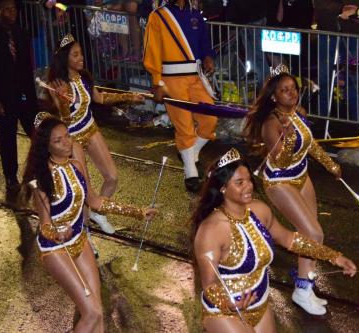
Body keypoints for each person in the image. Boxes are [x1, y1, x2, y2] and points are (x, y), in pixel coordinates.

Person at [192, 148, 357, 332]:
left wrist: (334, 257)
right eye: (239, 182)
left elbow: (290, 239)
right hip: (224, 313)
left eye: (248, 180)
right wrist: (227, 302)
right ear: (223, 188)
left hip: (260, 306)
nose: (248, 186)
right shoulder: (211, 230)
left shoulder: (260, 210)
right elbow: (209, 283)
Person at [21, 114, 156, 332]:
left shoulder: (76, 165)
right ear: (46, 147)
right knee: (90, 313)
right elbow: (44, 225)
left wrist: (138, 212)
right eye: (58, 141)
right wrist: (56, 234)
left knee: (99, 312)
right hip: (56, 249)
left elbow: (95, 201)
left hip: (79, 238)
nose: (67, 143)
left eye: (67, 136)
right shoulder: (43, 180)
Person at [243, 65, 343, 315]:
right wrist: (286, 138)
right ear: (274, 96)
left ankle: (305, 286)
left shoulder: (297, 112)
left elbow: (310, 143)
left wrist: (330, 164)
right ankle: (302, 290)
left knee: (308, 233)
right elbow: (280, 161)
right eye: (284, 90)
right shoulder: (270, 123)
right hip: (280, 181)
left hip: (301, 175)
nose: (291, 93)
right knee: (314, 234)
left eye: (294, 89)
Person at [48, 33, 144, 234]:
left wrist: (129, 96)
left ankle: (98, 214)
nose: (81, 58)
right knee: (84, 192)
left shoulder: (84, 76)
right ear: (64, 58)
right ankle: (84, 237)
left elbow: (99, 98)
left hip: (90, 128)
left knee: (112, 176)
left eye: (81, 53)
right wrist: (64, 100)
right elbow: (63, 121)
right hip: (72, 138)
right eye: (75, 55)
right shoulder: (56, 84)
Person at [143, 0, 218, 193]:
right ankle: (190, 172)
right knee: (184, 125)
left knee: (210, 118)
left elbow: (204, 42)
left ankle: (190, 154)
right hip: (170, 78)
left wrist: (209, 56)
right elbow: (152, 50)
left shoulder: (196, 14)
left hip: (195, 76)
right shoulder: (158, 15)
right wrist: (157, 82)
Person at [0, 0, 38, 192]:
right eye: (8, 10)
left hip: (24, 96)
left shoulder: (22, 33)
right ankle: (10, 176)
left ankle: (39, 169)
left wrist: (32, 97)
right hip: (3, 98)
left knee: (37, 134)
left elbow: (27, 68)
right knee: (7, 138)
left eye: (14, 9)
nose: (12, 13)